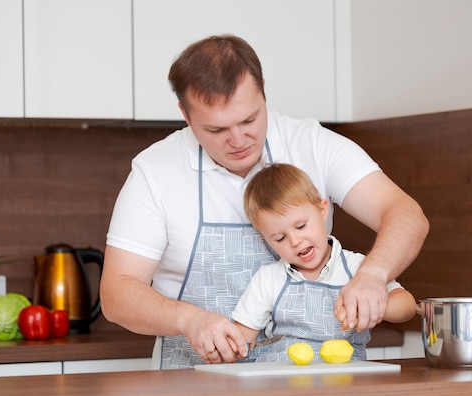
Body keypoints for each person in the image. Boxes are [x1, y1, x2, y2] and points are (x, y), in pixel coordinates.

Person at [99, 34, 429, 369]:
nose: (239, 140)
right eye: (216, 130)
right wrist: (189, 320)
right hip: (190, 383)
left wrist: (373, 275)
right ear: (185, 114)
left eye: (249, 119)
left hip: (309, 386)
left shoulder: (312, 144)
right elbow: (116, 292)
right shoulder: (154, 172)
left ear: (264, 91)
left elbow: (405, 214)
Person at [232, 163, 416, 362]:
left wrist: (373, 306)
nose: (295, 241)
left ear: (322, 210)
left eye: (301, 226)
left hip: (347, 383)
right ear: (265, 239)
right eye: (279, 238)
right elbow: (241, 339)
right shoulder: (268, 279)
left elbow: (407, 305)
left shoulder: (360, 269)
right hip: (282, 383)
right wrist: (226, 345)